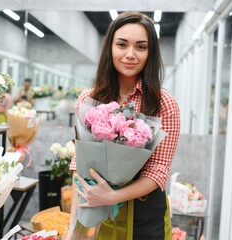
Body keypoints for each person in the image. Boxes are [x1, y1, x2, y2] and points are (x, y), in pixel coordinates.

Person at [67, 12, 180, 240]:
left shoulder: (163, 102)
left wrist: (112, 197)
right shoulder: (89, 100)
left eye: (140, 47)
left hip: (145, 216)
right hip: (95, 210)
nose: (130, 54)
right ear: (110, 48)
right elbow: (80, 166)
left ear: (151, 53)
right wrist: (73, 231)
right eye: (121, 45)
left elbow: (158, 170)